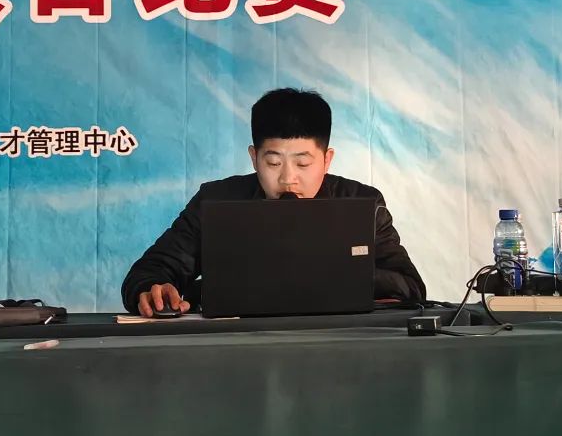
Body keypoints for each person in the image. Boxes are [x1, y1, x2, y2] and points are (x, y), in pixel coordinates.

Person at [121, 88, 426, 316]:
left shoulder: (363, 204)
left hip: (338, 348)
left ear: (326, 160)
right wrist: (151, 291)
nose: (288, 179)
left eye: (303, 164)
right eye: (273, 163)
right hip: (238, 350)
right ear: (254, 158)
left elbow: (411, 288)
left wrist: (334, 273)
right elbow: (147, 274)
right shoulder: (217, 201)